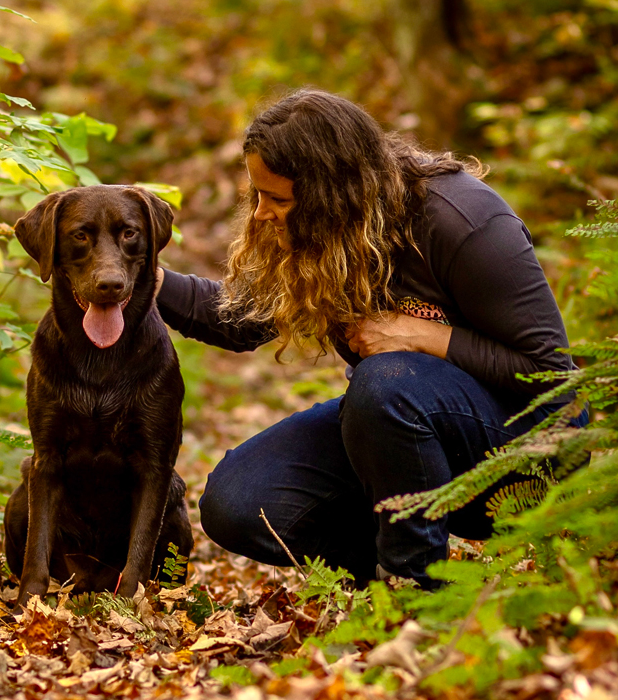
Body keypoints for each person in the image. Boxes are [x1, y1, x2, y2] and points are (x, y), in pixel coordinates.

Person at [155, 89, 587, 589]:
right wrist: (147, 279)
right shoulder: (328, 237)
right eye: (257, 195)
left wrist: (427, 336)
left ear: (328, 197)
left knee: (386, 381)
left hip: (524, 447)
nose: (260, 214)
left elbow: (552, 374)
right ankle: (394, 570)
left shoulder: (463, 220)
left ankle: (413, 588)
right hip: (406, 439)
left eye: (277, 199)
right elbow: (237, 317)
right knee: (237, 500)